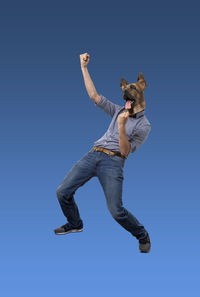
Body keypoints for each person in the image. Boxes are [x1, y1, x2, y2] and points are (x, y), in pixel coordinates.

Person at [54, 53, 151, 253]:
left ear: (142, 89)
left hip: (113, 162)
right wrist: (83, 67)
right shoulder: (117, 110)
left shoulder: (144, 125)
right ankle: (75, 223)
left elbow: (125, 152)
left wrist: (122, 126)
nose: (126, 92)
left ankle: (142, 234)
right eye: (125, 90)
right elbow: (94, 96)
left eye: (131, 88)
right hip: (93, 154)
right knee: (62, 192)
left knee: (116, 211)